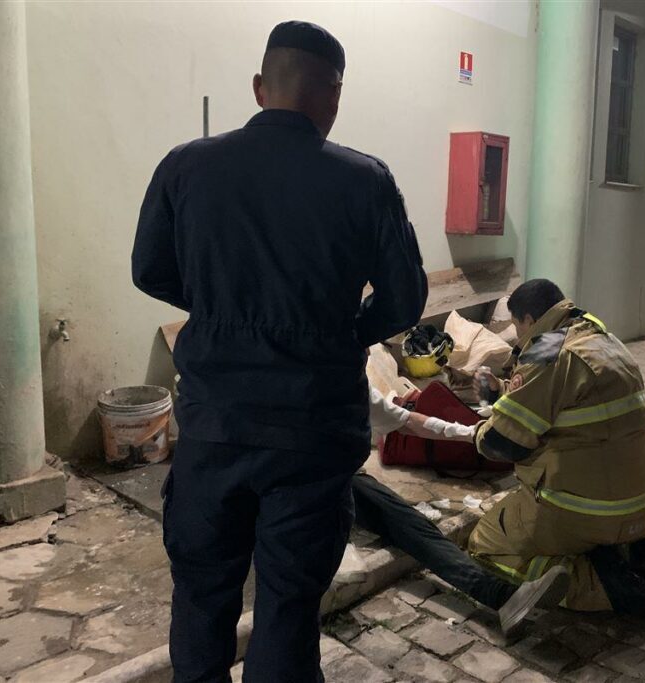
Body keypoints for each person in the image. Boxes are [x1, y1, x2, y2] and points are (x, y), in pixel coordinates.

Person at [132, 21, 427, 683]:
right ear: (334, 97)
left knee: (203, 596)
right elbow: (405, 300)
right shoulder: (365, 181)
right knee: (289, 607)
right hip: (313, 434)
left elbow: (150, 270)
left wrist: (217, 307)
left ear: (260, 87)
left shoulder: (187, 166)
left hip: (215, 430)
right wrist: (345, 331)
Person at [468, 279, 645, 626]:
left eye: (516, 327)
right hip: (640, 502)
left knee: (486, 542)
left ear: (527, 318)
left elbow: (505, 443)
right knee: (604, 524)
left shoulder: (546, 348)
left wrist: (475, 432)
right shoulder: (604, 340)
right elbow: (562, 398)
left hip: (580, 511)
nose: (518, 337)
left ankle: (602, 586)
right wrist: (502, 391)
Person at [355, 386, 571, 635]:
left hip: (340, 477)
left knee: (415, 527)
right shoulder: (315, 376)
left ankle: (506, 598)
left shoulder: (347, 377)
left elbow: (407, 421)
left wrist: (472, 433)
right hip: (321, 487)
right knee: (411, 528)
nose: (368, 353)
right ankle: (500, 595)